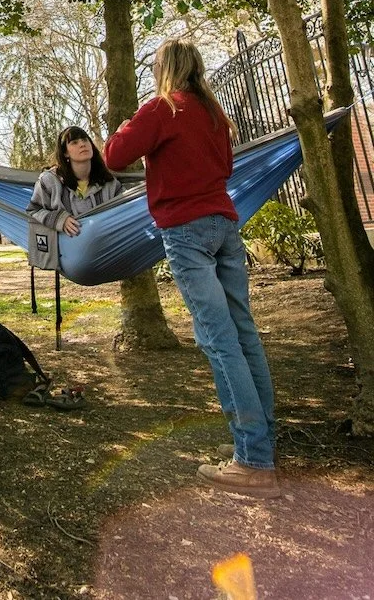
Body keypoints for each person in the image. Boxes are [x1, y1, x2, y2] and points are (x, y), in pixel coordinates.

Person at [104, 38, 278, 495]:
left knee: (219, 341)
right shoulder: (216, 115)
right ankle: (261, 449)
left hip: (186, 229)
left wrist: (123, 128)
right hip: (224, 224)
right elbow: (223, 165)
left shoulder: (163, 108)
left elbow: (114, 157)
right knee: (243, 334)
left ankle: (254, 461)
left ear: (166, 68)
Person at [29, 127, 122, 237]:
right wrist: (59, 219)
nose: (82, 144)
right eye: (74, 142)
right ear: (65, 153)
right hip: (65, 250)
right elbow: (34, 210)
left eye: (85, 140)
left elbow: (128, 210)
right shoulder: (49, 181)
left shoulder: (109, 183)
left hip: (105, 247)